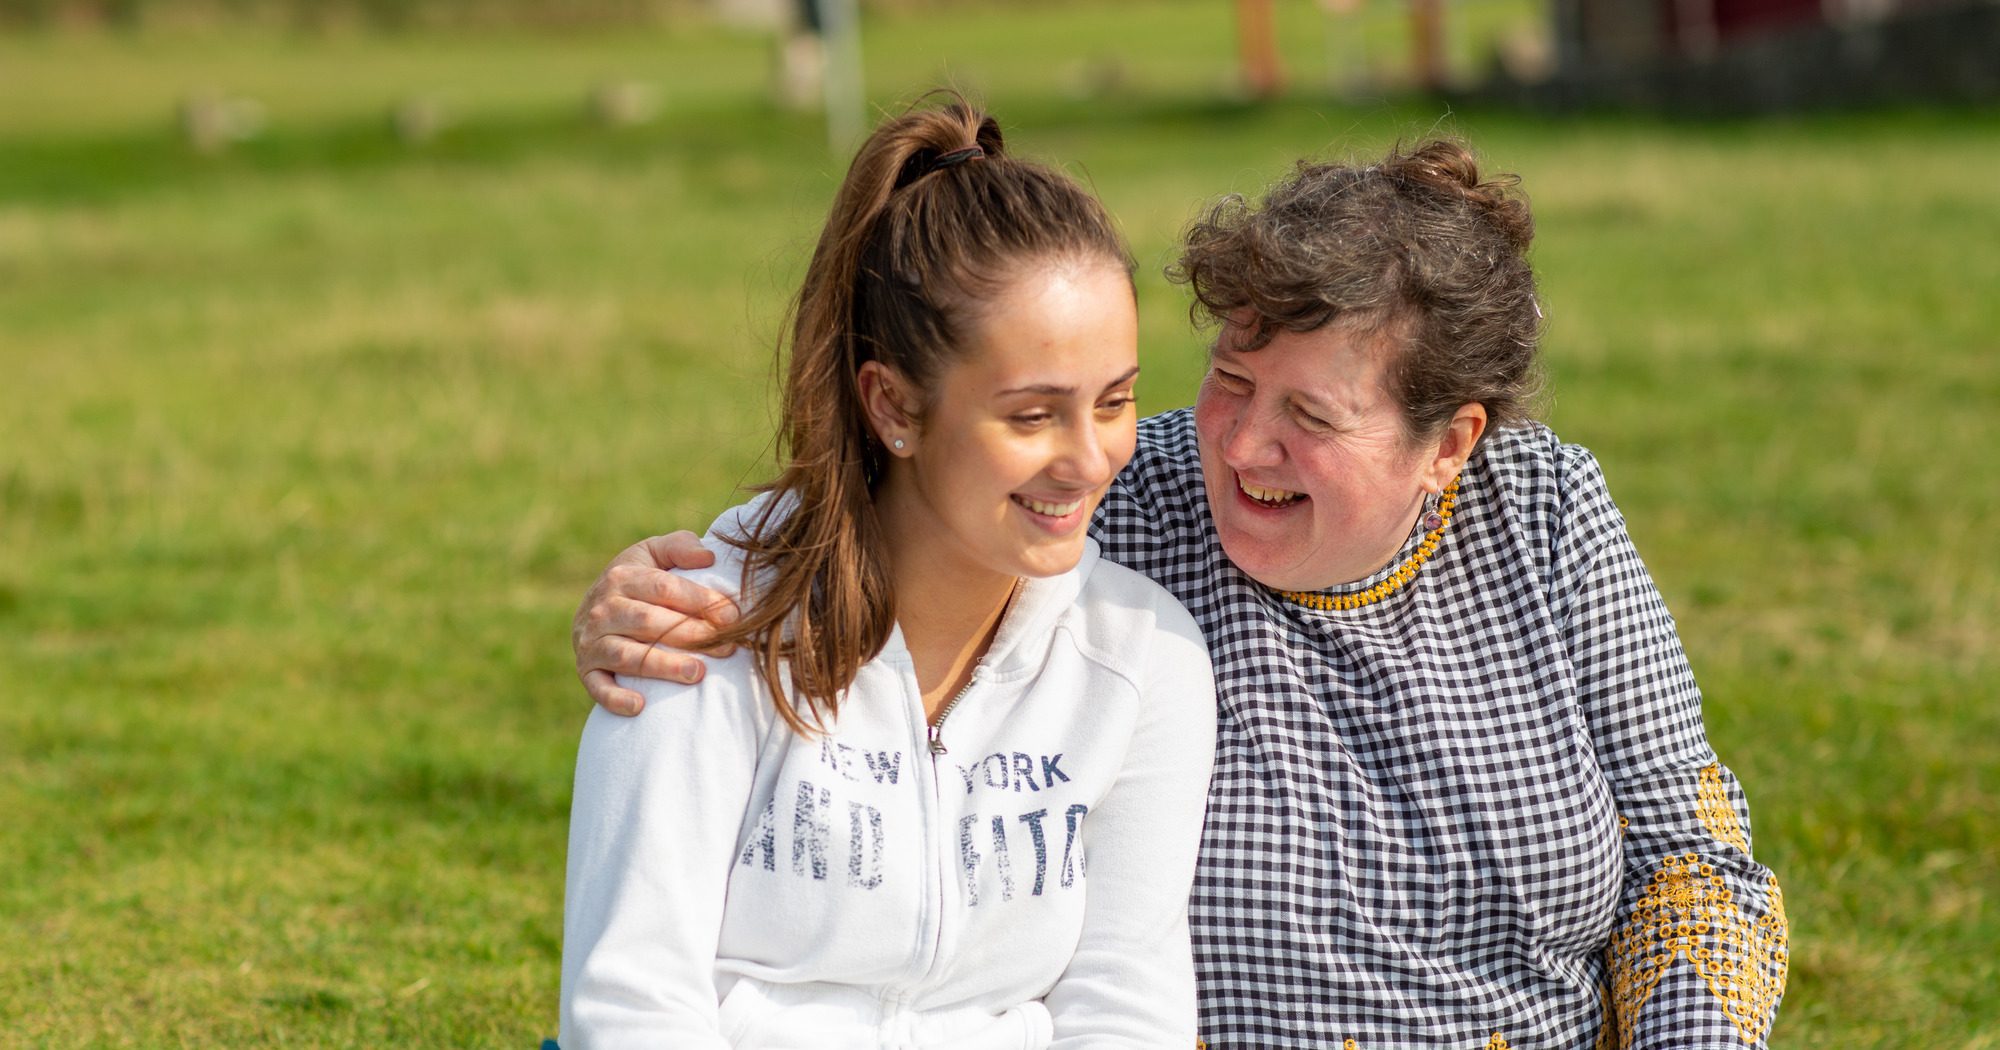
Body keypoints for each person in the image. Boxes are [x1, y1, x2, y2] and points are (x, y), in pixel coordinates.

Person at [572, 138, 1791, 1048]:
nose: (1240, 446)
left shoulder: (1546, 518)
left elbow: (1691, 863)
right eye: (1229, 380)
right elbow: (918, 470)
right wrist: (682, 590)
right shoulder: (1122, 496)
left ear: (1448, 443)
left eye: (1309, 418)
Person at [558, 96, 1217, 1049]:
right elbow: (630, 1004)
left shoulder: (1143, 660)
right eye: (1032, 416)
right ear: (894, 406)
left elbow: (1125, 1006)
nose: (1091, 458)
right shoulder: (704, 626)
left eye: (1115, 401)